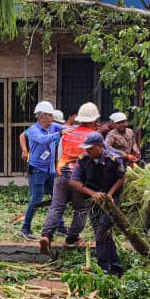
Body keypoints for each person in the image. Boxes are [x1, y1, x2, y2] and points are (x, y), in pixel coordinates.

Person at [39, 102, 101, 254]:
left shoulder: (67, 132)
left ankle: (46, 235)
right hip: (79, 178)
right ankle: (71, 238)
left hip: (61, 175)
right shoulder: (94, 136)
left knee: (56, 206)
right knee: (81, 209)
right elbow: (97, 159)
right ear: (94, 120)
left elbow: (59, 154)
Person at [69, 132, 126, 276]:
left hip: (111, 202)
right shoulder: (82, 159)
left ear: (100, 147)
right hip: (93, 200)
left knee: (102, 232)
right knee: (102, 234)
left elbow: (121, 178)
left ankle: (103, 268)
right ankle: (115, 267)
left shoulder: (113, 159)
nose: (86, 151)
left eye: (90, 148)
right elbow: (74, 181)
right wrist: (92, 194)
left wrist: (110, 194)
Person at [20, 101, 71, 240]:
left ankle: (60, 227)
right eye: (49, 115)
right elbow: (42, 140)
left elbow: (68, 128)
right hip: (37, 170)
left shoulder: (52, 126)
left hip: (50, 170)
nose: (51, 118)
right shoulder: (33, 130)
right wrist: (59, 134)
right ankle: (25, 227)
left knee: (57, 198)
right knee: (36, 199)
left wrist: (82, 127)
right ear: (41, 116)